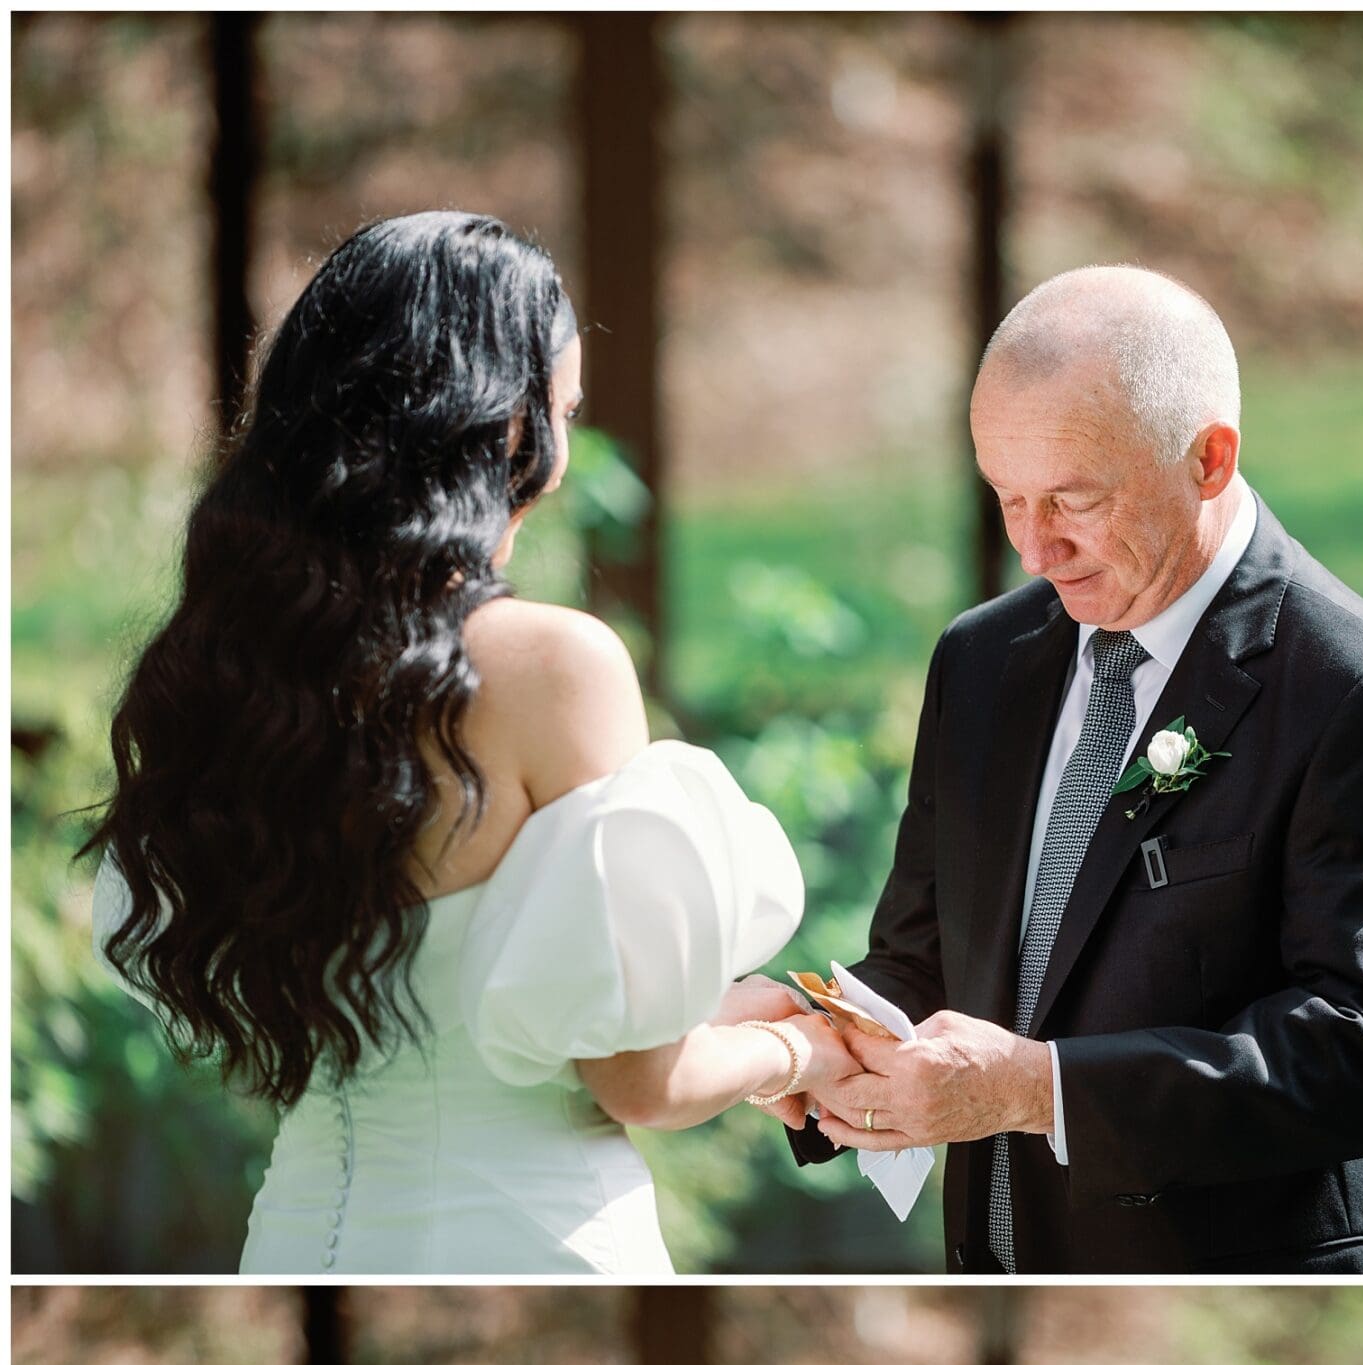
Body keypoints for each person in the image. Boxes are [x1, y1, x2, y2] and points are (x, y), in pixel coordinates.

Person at [86, 212, 845, 1275]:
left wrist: (729, 1015)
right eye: (560, 412)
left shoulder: (223, 682)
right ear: (496, 427)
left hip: (299, 1231)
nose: (563, 453)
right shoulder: (550, 666)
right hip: (533, 1233)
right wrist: (799, 1047)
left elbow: (462, 1009)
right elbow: (636, 1081)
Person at [780, 266, 1363, 1274]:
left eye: (1074, 499)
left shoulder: (1360, 692)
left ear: (1207, 459)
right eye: (1006, 498)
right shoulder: (981, 663)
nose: (1035, 547)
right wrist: (809, 1034)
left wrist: (1040, 1089)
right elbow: (922, 956)